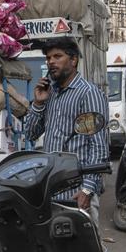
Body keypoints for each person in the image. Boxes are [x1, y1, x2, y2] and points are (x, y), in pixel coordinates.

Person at [24, 38, 110, 224]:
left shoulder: (88, 93)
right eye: (48, 58)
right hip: (51, 188)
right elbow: (30, 134)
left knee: (83, 250)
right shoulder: (51, 93)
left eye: (57, 56)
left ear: (73, 60)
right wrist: (38, 103)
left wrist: (87, 189)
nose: (51, 62)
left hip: (77, 191)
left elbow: (98, 146)